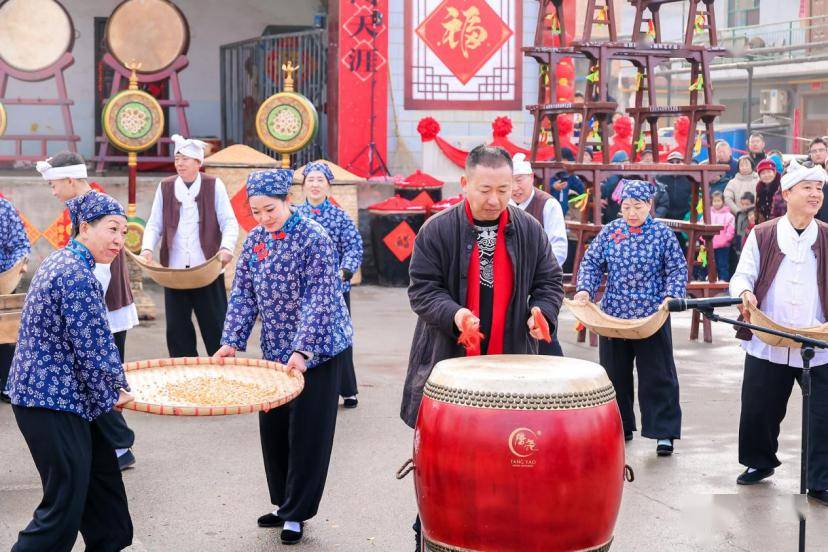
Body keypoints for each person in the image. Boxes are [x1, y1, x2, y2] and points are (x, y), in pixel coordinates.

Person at [402, 145, 564, 549]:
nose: (494, 200)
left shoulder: (528, 229)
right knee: (448, 465)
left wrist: (541, 311)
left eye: (504, 190)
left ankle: (505, 534)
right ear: (464, 185)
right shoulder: (437, 230)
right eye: (485, 189)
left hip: (510, 362)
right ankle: (439, 535)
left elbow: (549, 282)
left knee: (509, 458)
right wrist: (455, 314)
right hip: (449, 360)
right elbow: (422, 289)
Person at [215, 168, 353, 544]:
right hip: (275, 351)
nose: (263, 219)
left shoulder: (314, 238)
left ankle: (297, 512)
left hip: (318, 351)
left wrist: (303, 348)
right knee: (273, 429)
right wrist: (232, 340)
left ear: (287, 200)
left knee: (307, 432)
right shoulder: (256, 240)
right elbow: (243, 294)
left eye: (270, 209)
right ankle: (282, 502)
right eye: (256, 212)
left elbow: (319, 298)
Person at [7, 190, 135, 551]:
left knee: (103, 488)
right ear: (84, 228)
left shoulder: (66, 262)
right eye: (112, 230)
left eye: (124, 233)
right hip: (48, 400)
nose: (118, 241)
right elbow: (93, 345)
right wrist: (118, 388)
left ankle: (110, 542)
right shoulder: (75, 274)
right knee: (63, 507)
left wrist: (110, 388)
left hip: (69, 396)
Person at [729, 158, 828, 506]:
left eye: (819, 188)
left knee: (824, 414)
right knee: (759, 407)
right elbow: (742, 275)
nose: (815, 194)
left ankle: (822, 480)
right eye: (807, 187)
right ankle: (759, 462)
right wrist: (744, 293)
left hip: (818, 342)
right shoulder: (763, 234)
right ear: (787, 193)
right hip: (767, 337)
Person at [37, 151, 139, 470]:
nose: (52, 191)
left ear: (70, 180)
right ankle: (110, 443)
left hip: (102, 304)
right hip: (87, 304)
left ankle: (120, 445)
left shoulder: (100, 208)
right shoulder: (79, 206)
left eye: (55, 184)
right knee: (93, 374)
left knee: (101, 373)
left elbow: (102, 267)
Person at [574, 179, 687, 456]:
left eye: (638, 206)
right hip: (613, 315)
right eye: (626, 207)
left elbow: (676, 268)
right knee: (614, 375)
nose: (632, 212)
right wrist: (585, 290)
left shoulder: (662, 234)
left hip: (651, 316)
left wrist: (671, 296)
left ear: (649, 205)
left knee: (657, 374)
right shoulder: (611, 232)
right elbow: (591, 262)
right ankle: (619, 426)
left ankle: (663, 433)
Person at [140, 134, 240, 358]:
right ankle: (183, 377)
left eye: (185, 159)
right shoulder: (165, 187)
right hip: (174, 271)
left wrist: (226, 248)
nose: (180, 163)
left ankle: (224, 377)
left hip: (207, 269)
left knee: (216, 327)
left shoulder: (213, 185)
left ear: (198, 162)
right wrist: (147, 249)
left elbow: (229, 221)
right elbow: (154, 223)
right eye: (177, 159)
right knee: (177, 331)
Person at [294, 162, 364, 408]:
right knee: (304, 337)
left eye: (320, 180)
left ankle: (347, 389)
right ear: (303, 186)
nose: (314, 184)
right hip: (302, 291)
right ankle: (303, 386)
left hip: (335, 289)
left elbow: (354, 247)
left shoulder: (340, 216)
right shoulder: (295, 216)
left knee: (339, 337)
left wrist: (344, 271)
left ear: (328, 188)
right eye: (310, 180)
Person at [510, 153, 567, 356]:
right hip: (510, 285)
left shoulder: (548, 204)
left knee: (544, 339)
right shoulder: (503, 205)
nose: (515, 187)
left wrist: (539, 273)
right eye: (510, 182)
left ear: (531, 177)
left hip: (540, 284)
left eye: (519, 180)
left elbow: (559, 248)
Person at [0, 193, 30, 404]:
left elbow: (19, 243)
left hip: (2, 281)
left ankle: (6, 385)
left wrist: (18, 264)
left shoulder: (3, 208)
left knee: (5, 338)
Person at [551, 148, 585, 216]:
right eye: (568, 161)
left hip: (562, 216)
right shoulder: (547, 172)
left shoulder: (569, 175)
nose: (570, 164)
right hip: (547, 216)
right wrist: (553, 187)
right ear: (562, 160)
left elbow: (582, 190)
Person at [710, 191, 735, 281]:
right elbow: (701, 225)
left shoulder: (729, 216)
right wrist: (704, 239)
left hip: (723, 245)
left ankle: (723, 280)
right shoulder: (708, 214)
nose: (716, 203)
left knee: (722, 264)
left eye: (718, 201)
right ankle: (711, 280)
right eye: (714, 201)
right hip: (710, 244)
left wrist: (726, 239)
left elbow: (731, 229)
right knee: (710, 264)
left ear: (723, 202)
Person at [754, 158, 781, 222]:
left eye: (769, 172)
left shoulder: (782, 186)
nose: (766, 175)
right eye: (763, 173)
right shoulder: (759, 189)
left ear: (774, 173)